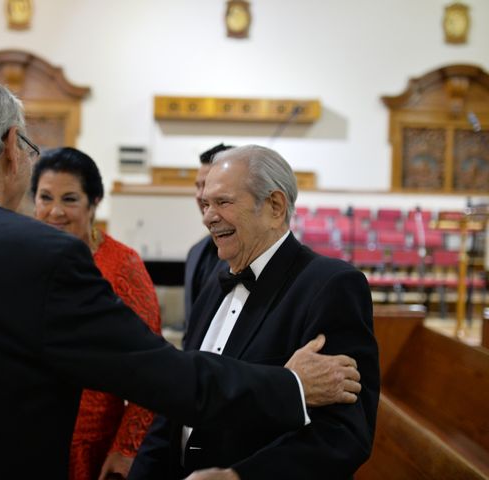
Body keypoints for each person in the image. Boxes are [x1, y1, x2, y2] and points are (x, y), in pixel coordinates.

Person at [0, 72, 362, 480]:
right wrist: (289, 386)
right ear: (10, 146)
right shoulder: (37, 253)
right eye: (28, 147)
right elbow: (156, 372)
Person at [130, 145, 380, 480]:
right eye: (205, 204)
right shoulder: (213, 287)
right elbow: (181, 400)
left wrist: (239, 477)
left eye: (223, 202)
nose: (207, 216)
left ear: (275, 206)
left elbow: (342, 433)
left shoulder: (331, 285)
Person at [31, 147, 161, 480]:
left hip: (92, 447)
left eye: (70, 199)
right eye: (45, 198)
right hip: (28, 433)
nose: (55, 211)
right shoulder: (22, 257)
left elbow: (152, 365)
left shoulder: (122, 264)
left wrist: (127, 448)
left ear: (94, 202)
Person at [184, 143, 233, 327]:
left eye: (207, 185)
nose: (200, 195)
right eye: (197, 186)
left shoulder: (253, 253)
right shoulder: (195, 252)